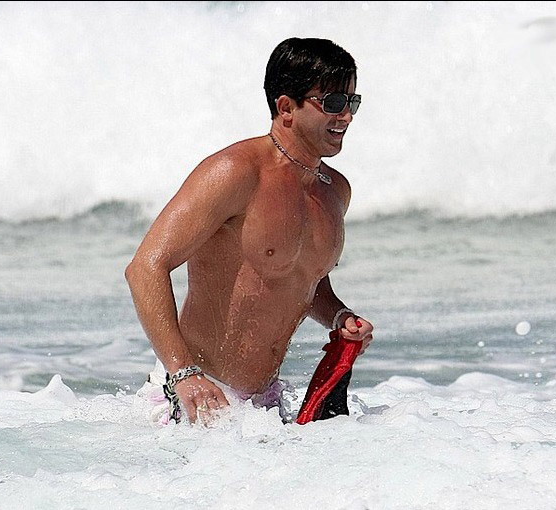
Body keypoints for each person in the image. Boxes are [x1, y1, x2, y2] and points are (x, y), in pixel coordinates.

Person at [125, 37, 374, 425]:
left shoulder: (334, 191)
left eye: (352, 103)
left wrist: (339, 316)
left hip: (264, 406)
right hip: (196, 396)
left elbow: (303, 279)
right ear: (286, 107)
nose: (346, 117)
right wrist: (183, 373)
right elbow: (145, 268)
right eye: (333, 103)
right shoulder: (236, 173)